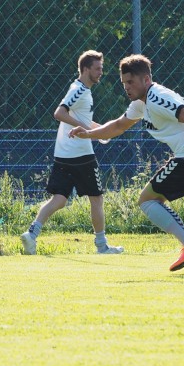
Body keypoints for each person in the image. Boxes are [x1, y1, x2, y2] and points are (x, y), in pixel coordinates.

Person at [71, 54, 184, 274]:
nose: (126, 87)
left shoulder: (157, 97)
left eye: (131, 82)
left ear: (146, 79)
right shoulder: (140, 104)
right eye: (124, 83)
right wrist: (88, 133)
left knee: (147, 199)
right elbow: (118, 126)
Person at [20, 50, 123, 256]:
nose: (101, 72)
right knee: (96, 198)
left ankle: (31, 234)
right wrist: (83, 130)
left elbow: (82, 120)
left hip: (64, 153)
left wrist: (99, 131)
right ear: (85, 69)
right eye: (97, 68)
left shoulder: (82, 90)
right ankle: (102, 246)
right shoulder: (79, 89)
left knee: (59, 199)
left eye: (101, 68)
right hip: (81, 155)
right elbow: (59, 113)